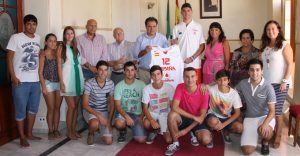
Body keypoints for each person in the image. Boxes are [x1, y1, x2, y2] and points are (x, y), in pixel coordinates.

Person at [7, 14, 42, 147]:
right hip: (20, 81)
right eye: (29, 24)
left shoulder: (38, 38)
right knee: (20, 109)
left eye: (34, 24)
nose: (31, 26)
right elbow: (9, 58)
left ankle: (29, 134)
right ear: (24, 25)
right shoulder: (15, 38)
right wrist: (13, 77)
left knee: (33, 109)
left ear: (36, 25)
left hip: (35, 81)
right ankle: (22, 137)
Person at [261, 20, 293, 148]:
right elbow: (263, 65)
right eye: (268, 29)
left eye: (273, 29)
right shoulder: (265, 46)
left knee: (277, 110)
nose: (271, 31)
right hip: (266, 84)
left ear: (278, 30)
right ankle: (271, 131)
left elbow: (290, 64)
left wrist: (285, 81)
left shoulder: (285, 45)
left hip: (280, 84)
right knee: (268, 109)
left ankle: (278, 135)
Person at [165, 67, 211, 156]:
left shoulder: (204, 91)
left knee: (206, 140)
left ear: (197, 77)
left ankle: (192, 132)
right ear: (183, 77)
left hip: (197, 122)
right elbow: (174, 107)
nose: (190, 79)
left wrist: (186, 130)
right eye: (187, 77)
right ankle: (175, 143)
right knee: (171, 115)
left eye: (192, 76)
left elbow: (201, 118)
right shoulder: (180, 86)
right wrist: (193, 117)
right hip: (185, 118)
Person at [235, 59, 276, 155]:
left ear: (262, 71)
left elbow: (272, 111)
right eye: (252, 70)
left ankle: (265, 142)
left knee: (265, 131)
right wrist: (213, 85)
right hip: (250, 118)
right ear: (248, 71)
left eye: (258, 70)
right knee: (247, 151)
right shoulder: (243, 83)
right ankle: (255, 135)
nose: (255, 73)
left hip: (265, 117)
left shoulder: (268, 87)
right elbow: (230, 91)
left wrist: (265, 123)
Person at [57, 26, 84, 140]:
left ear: (74, 35)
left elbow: (79, 64)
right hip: (67, 78)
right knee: (71, 107)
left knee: (76, 107)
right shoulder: (61, 47)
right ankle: (69, 131)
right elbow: (59, 65)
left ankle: (74, 130)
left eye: (71, 33)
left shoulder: (76, 47)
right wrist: (61, 82)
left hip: (78, 77)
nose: (69, 35)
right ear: (64, 35)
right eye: (67, 33)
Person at [205, 69, 243, 144]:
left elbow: (237, 113)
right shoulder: (212, 89)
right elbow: (202, 87)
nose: (222, 82)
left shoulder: (234, 94)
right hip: (213, 115)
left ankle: (226, 132)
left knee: (240, 128)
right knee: (213, 121)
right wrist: (209, 84)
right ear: (216, 81)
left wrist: (223, 125)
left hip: (226, 118)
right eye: (219, 80)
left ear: (228, 80)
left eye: (225, 80)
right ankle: (210, 134)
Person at [171, 3, 205, 84]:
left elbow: (202, 46)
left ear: (191, 12)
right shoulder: (176, 28)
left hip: (195, 63)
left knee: (196, 88)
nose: (186, 13)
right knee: (182, 87)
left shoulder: (198, 26)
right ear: (181, 13)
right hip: (180, 63)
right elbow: (173, 46)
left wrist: (192, 58)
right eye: (184, 11)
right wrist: (173, 44)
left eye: (188, 11)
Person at [83, 60, 114, 145]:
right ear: (97, 70)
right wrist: (98, 116)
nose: (103, 72)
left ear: (108, 71)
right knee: (94, 124)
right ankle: (91, 133)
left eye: (105, 70)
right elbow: (85, 105)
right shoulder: (89, 83)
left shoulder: (110, 83)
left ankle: (101, 128)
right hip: (91, 110)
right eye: (100, 69)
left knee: (109, 141)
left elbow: (112, 104)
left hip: (104, 111)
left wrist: (109, 122)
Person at [114, 61, 147, 143]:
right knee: (119, 123)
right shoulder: (119, 86)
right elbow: (117, 106)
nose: (130, 72)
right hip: (123, 112)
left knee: (141, 139)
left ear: (135, 71)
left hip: (137, 114)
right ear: (124, 72)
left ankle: (134, 127)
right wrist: (126, 116)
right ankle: (122, 131)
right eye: (127, 70)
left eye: (132, 70)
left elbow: (146, 103)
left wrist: (142, 116)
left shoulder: (142, 85)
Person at [38, 33, 63, 140]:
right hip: (48, 83)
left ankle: (56, 129)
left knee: (58, 108)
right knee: (51, 108)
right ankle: (50, 130)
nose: (53, 43)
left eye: (54, 41)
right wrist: (43, 86)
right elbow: (40, 72)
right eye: (50, 41)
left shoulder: (59, 53)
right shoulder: (43, 54)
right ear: (46, 42)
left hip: (59, 83)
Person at [142, 65, 174, 144]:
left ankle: (162, 128)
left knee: (169, 140)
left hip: (165, 114)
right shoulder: (146, 89)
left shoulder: (169, 88)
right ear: (151, 76)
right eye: (153, 74)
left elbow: (173, 106)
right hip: (153, 113)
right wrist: (152, 121)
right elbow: (145, 108)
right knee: (146, 123)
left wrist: (170, 119)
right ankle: (154, 131)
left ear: (162, 75)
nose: (156, 77)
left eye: (158, 74)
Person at [134, 17, 168, 84]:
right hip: (144, 72)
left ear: (156, 27)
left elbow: (167, 53)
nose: (152, 29)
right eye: (149, 26)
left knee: (157, 92)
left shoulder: (162, 38)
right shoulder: (140, 38)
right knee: (144, 91)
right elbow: (136, 55)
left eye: (154, 26)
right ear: (146, 27)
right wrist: (145, 51)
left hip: (157, 73)